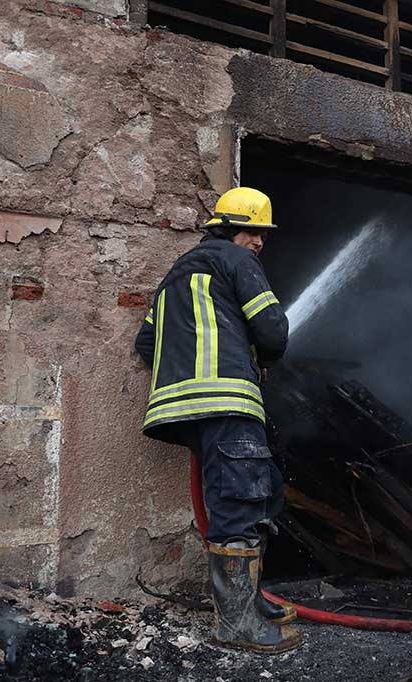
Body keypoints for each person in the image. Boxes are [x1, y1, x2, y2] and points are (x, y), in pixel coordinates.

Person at [134, 187, 300, 653]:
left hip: (178, 411)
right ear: (229, 230)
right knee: (243, 502)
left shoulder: (173, 277)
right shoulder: (235, 261)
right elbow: (274, 332)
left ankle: (248, 603)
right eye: (255, 232)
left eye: (264, 235)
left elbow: (146, 345)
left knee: (240, 495)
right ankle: (237, 623)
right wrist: (249, 352)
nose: (261, 243)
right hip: (227, 401)